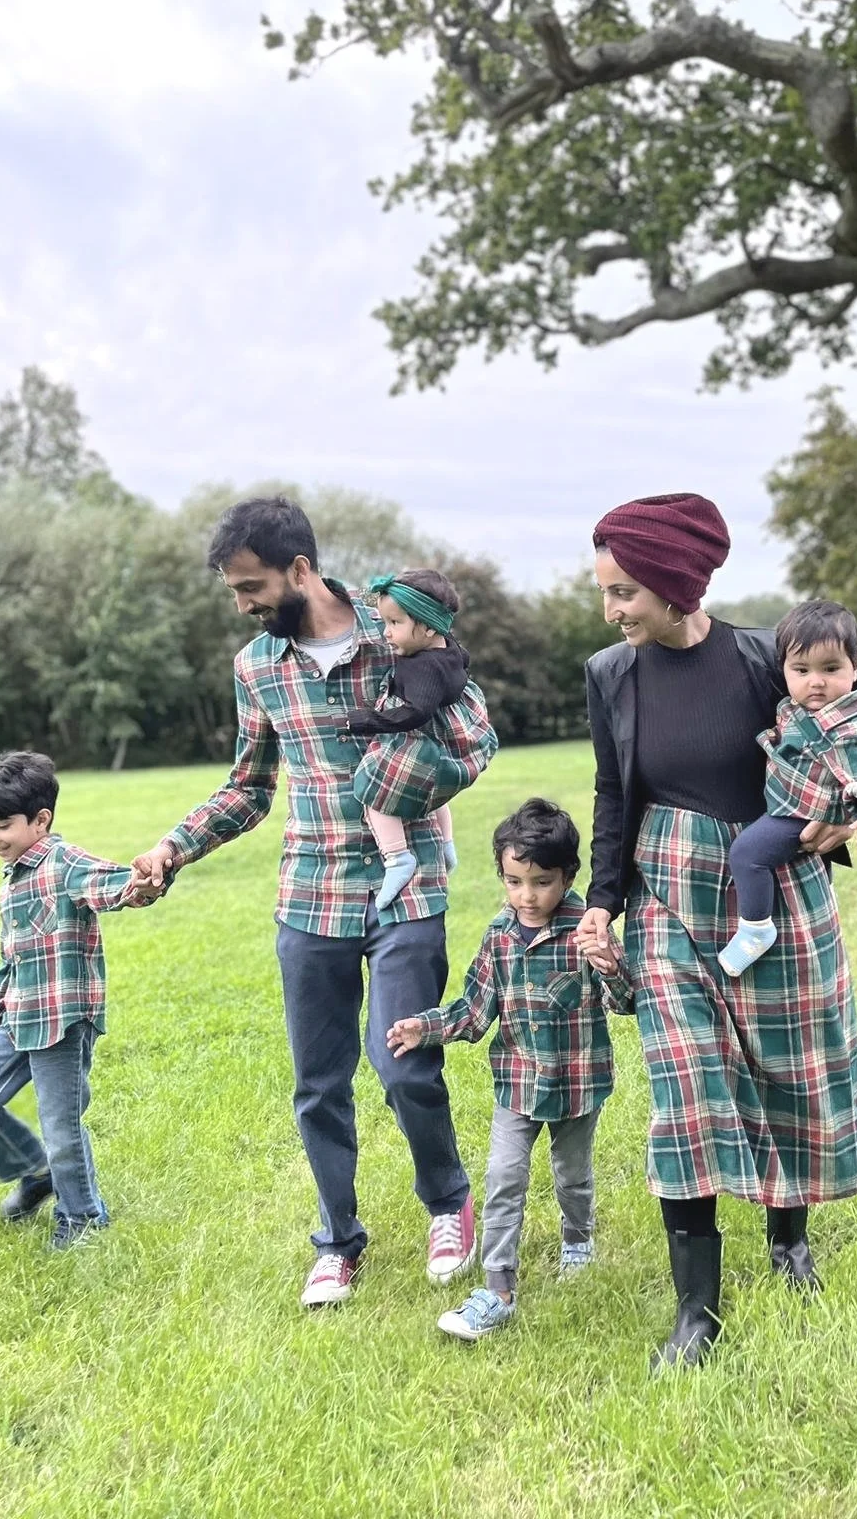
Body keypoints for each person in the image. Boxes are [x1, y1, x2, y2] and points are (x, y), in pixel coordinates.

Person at [133, 496, 498, 1307]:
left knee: (403, 1062)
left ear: (300, 569)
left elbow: (477, 739)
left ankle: (448, 1203)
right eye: (235, 590)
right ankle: (337, 1241)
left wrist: (413, 780)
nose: (243, 604)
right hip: (310, 894)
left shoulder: (397, 624)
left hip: (409, 885)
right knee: (318, 1082)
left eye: (252, 586)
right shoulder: (256, 667)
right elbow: (248, 787)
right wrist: (172, 848)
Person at [577, 492, 857, 1374]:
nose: (611, 610)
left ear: (676, 584)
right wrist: (603, 899)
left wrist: (845, 817)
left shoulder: (761, 659)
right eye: (605, 592)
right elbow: (612, 790)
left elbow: (840, 739)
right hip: (668, 891)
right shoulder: (610, 674)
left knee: (788, 1069)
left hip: (771, 888)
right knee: (688, 1089)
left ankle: (789, 1240)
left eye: (624, 591)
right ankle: (697, 1311)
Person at [387, 798, 632, 1341]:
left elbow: (624, 1001)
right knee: (503, 1178)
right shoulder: (499, 937)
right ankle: (498, 1287)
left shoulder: (587, 931)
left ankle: (578, 1240)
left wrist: (611, 965)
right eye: (515, 881)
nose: (527, 896)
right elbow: (475, 1013)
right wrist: (424, 1027)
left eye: (542, 882)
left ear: (569, 877)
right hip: (517, 1085)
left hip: (578, 1083)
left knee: (572, 1174)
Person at [0, 751, 162, 1250]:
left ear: (41, 820)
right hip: (19, 1019)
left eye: (2, 825)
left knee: (61, 1128)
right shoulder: (12, 881)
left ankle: (82, 1217)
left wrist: (143, 884)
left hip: (62, 1021)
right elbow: (8, 968)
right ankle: (36, 1174)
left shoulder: (64, 863)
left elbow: (114, 886)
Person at [717, 598, 857, 977]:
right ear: (783, 667)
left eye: (830, 668)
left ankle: (755, 928)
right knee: (812, 877)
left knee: (747, 854)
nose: (816, 681)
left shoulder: (850, 724)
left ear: (855, 665)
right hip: (792, 802)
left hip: (803, 813)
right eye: (801, 669)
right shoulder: (802, 708)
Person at [338, 568, 470, 910]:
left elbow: (416, 712)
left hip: (416, 739)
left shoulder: (421, 667)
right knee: (433, 796)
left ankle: (397, 857)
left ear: (428, 627)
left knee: (373, 792)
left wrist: (364, 721)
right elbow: (464, 665)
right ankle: (447, 844)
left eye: (395, 623)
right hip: (439, 743)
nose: (386, 632)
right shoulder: (450, 649)